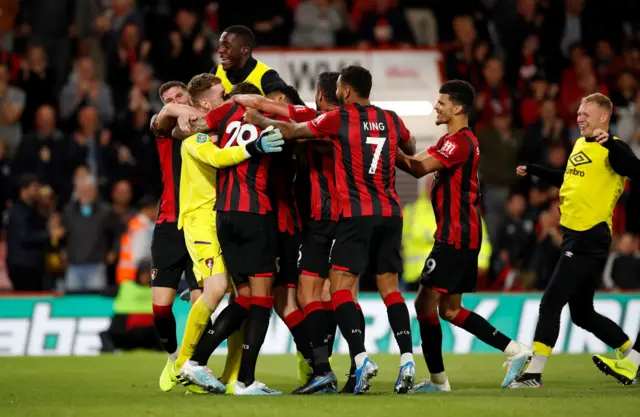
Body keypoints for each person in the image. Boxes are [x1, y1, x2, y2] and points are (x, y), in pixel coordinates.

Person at [243, 65, 417, 395]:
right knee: (346, 294)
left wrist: (253, 112)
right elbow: (406, 150)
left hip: (325, 218)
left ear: (331, 94)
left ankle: (325, 368)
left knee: (316, 294)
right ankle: (356, 367)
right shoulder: (383, 121)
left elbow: (287, 120)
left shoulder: (324, 119)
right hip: (370, 214)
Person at [394, 80, 531, 392]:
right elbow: (418, 159)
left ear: (457, 108)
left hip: (456, 236)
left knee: (425, 305)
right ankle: (515, 350)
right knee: (449, 310)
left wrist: (385, 146)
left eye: (441, 102)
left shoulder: (459, 142)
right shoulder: (453, 141)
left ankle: (439, 381)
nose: (436, 107)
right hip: (461, 234)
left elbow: (417, 168)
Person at [232, 72, 359, 393]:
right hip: (327, 220)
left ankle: (321, 367)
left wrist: (253, 114)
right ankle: (338, 366)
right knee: (310, 297)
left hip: (292, 223)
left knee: (297, 297)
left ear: (318, 96)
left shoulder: (305, 129)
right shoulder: (343, 123)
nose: (275, 107)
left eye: (280, 103)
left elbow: (288, 129)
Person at [510, 93, 640, 388]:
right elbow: (568, 179)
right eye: (578, 113)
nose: (579, 117)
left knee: (551, 301)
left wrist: (612, 145)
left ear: (604, 117)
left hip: (588, 236)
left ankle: (533, 373)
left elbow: (634, 170)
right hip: (573, 237)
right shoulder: (581, 145)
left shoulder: (615, 148)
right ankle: (633, 357)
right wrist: (535, 170)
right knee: (582, 314)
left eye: (586, 113)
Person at [167, 74, 283, 394]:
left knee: (241, 297)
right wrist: (256, 144)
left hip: (221, 217)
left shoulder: (217, 126)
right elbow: (215, 155)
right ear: (206, 102)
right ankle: (186, 363)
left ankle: (231, 376)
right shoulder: (200, 137)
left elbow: (175, 123)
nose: (228, 98)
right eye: (222, 94)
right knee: (231, 292)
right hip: (211, 219)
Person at [148, 81, 205, 393]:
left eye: (179, 95)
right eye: (167, 99)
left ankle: (192, 364)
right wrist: (182, 111)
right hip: (170, 226)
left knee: (203, 301)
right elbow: (166, 113)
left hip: (201, 224)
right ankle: (173, 358)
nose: (172, 101)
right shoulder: (161, 127)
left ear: (191, 95)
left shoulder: (209, 124)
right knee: (160, 308)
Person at [100, 260, 163, 352]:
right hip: (125, 324)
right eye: (143, 274)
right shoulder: (125, 286)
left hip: (150, 330)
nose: (145, 277)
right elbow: (103, 292)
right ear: (138, 274)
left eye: (147, 275)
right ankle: (111, 350)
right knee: (107, 334)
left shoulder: (158, 288)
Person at [212, 25, 285, 95]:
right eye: (220, 45)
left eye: (227, 46)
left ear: (245, 50)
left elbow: (287, 105)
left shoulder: (267, 76)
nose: (220, 50)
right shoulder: (216, 73)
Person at [115, 195, 158, 284]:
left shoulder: (135, 223)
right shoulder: (142, 228)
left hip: (126, 275)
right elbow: (138, 256)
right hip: (133, 277)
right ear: (149, 209)